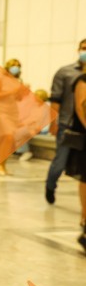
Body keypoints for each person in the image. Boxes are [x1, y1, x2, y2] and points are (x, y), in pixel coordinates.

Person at [46, 40, 86, 204]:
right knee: (60, 162)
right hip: (67, 125)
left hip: (83, 128)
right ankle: (50, 186)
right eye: (84, 48)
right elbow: (56, 99)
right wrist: (53, 122)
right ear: (78, 50)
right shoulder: (65, 72)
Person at [63, 66, 86, 254]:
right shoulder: (82, 81)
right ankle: (85, 220)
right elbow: (80, 106)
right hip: (84, 136)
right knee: (85, 178)